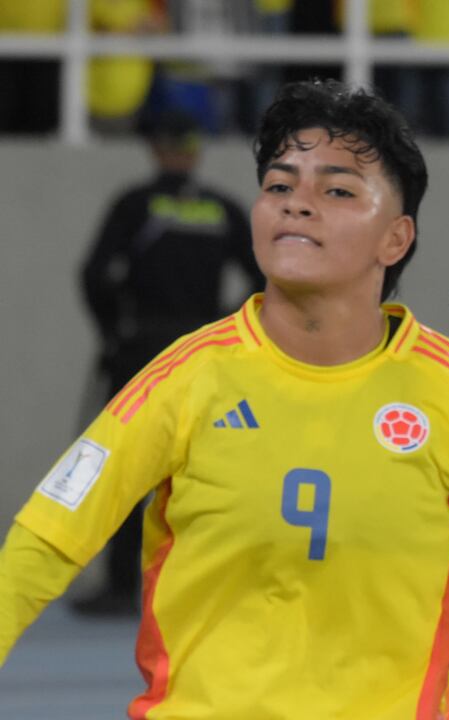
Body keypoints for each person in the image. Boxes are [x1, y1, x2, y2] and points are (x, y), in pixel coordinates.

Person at [0, 79, 449, 720]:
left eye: (337, 189)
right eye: (279, 185)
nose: (297, 202)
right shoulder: (184, 378)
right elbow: (45, 546)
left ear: (396, 238)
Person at [76, 108, 262, 617]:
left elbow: (94, 274)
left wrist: (115, 329)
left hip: (142, 347)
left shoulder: (136, 204)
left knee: (125, 465)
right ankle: (208, 583)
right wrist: (226, 329)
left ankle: (120, 587)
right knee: (212, 467)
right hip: (201, 352)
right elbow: (265, 280)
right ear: (195, 149)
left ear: (155, 148)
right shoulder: (223, 209)